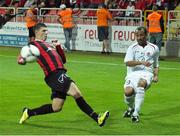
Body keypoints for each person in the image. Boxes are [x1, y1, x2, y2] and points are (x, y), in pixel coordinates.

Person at [17, 23, 109, 127]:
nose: (46, 33)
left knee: (56, 107)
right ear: (36, 32)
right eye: (43, 31)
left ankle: (28, 113)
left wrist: (58, 47)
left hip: (59, 74)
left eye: (46, 31)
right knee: (76, 93)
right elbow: (21, 57)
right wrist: (22, 60)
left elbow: (63, 60)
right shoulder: (33, 45)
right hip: (54, 74)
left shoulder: (48, 45)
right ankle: (97, 118)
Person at [123, 26, 159, 123]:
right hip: (132, 74)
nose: (139, 37)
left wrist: (155, 75)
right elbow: (127, 63)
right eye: (137, 35)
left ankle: (135, 114)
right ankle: (131, 108)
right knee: (128, 92)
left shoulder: (154, 48)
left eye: (141, 35)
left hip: (147, 74)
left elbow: (156, 65)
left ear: (146, 35)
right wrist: (141, 62)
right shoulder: (132, 48)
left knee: (141, 84)